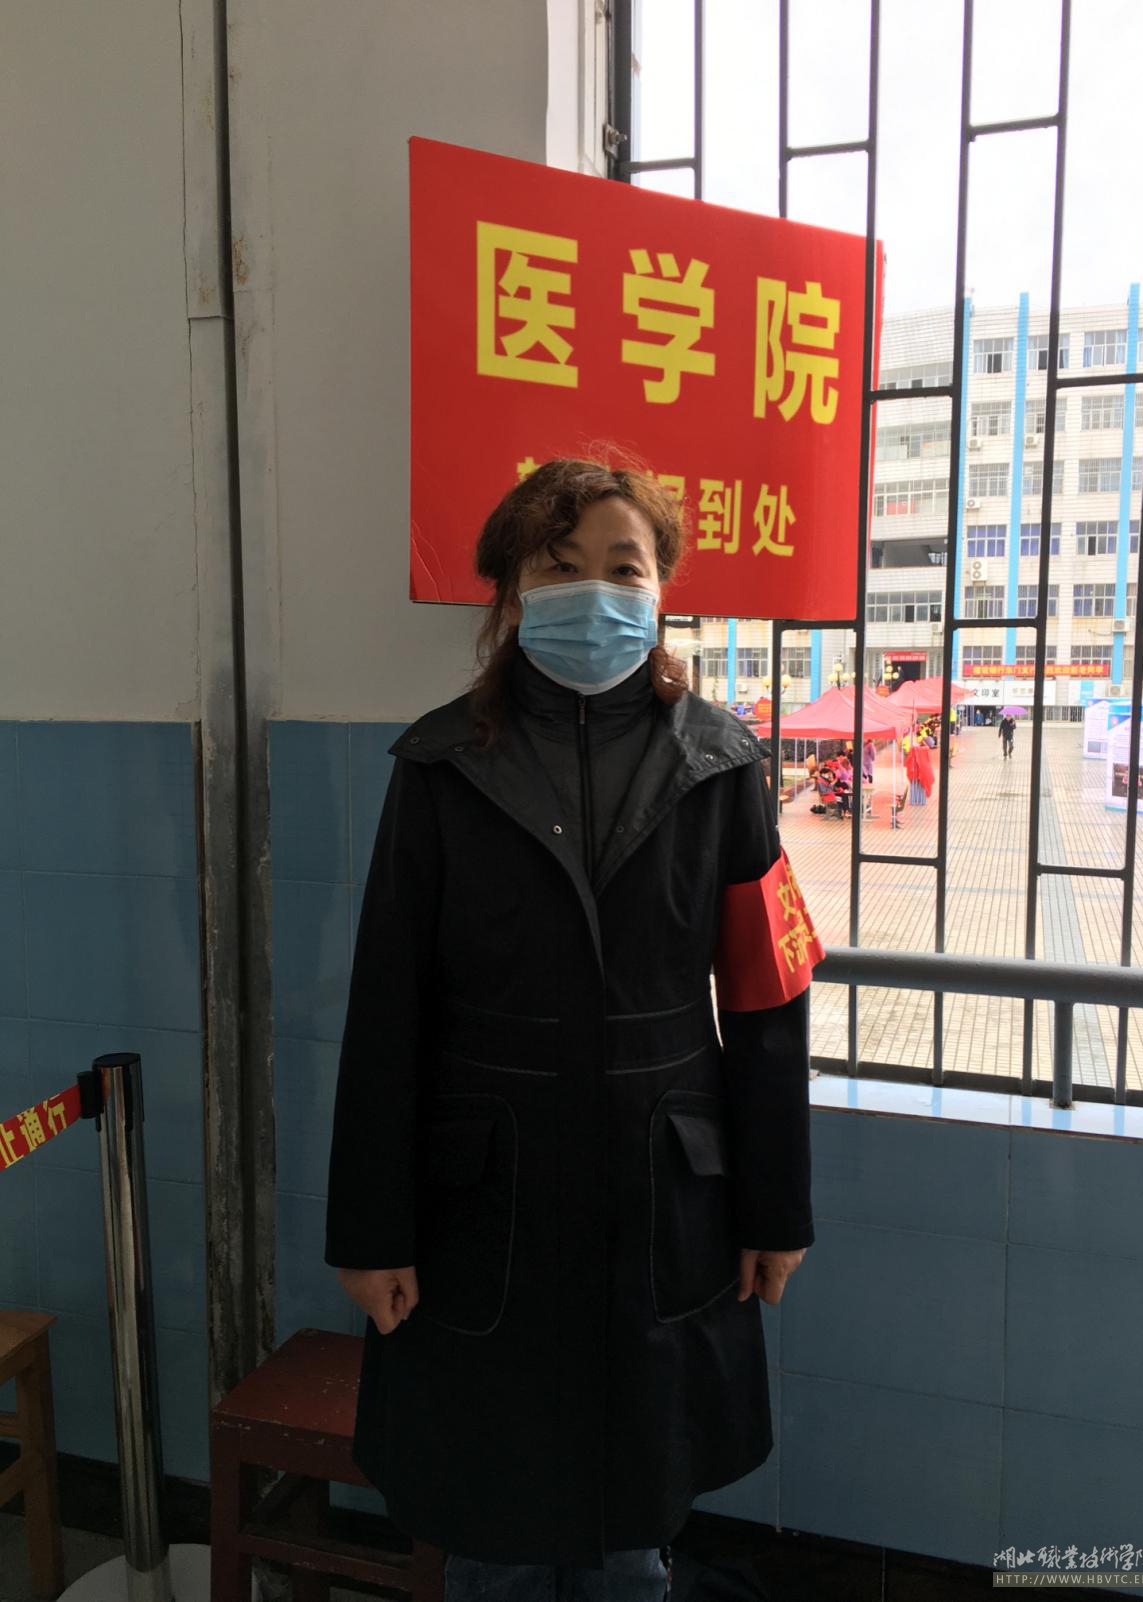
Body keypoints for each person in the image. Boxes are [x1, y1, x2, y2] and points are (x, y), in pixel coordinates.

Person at [324, 457, 824, 1602]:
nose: (594, 593)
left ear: (660, 591)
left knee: (634, 1521)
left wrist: (776, 1211)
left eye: (622, 568)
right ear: (510, 595)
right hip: (483, 1194)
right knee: (492, 1522)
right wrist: (369, 1232)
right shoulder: (439, 766)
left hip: (665, 1185)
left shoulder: (724, 764)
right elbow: (385, 1010)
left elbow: (767, 1000)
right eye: (560, 569)